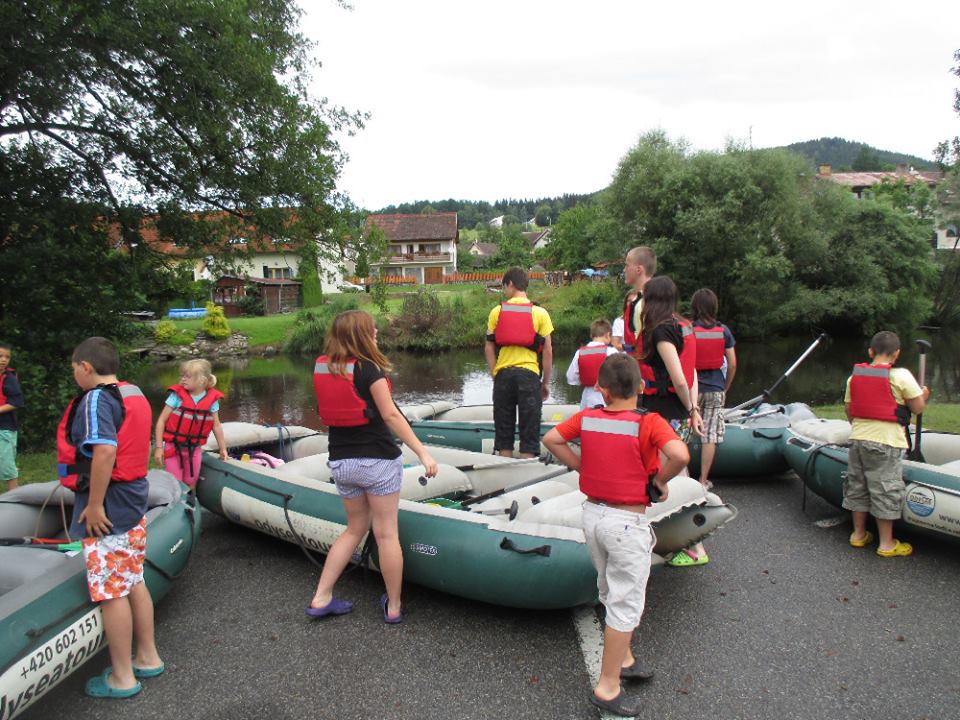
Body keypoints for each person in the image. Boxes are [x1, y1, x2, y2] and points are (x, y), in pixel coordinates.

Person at [543, 354, 689, 717]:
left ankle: (623, 658)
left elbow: (551, 438)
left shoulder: (588, 417)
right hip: (626, 524)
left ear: (600, 390)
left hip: (592, 517)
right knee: (625, 603)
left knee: (609, 588)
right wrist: (658, 481)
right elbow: (680, 454)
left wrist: (580, 465)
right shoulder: (649, 422)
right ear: (641, 388)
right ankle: (608, 687)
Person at [309, 310, 438, 623]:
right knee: (386, 534)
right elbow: (391, 416)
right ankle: (393, 606)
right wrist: (423, 453)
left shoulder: (324, 366)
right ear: (361, 336)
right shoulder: (370, 370)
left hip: (342, 462)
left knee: (354, 529)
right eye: (372, 329)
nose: (377, 331)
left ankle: (321, 597)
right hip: (378, 461)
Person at [57, 336, 163, 698]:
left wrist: (96, 504)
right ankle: (147, 657)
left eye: (74, 368)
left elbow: (103, 451)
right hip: (134, 496)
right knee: (133, 579)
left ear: (86, 367)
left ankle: (122, 677)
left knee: (111, 591)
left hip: (112, 502)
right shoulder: (132, 391)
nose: (74, 375)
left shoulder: (97, 399)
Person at [637, 276, 708, 567]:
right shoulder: (681, 326)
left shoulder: (662, 331)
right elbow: (691, 375)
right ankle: (686, 539)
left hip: (666, 412)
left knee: (676, 477)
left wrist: (692, 408)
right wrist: (693, 408)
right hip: (677, 411)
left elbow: (679, 378)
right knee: (680, 473)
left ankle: (694, 546)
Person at [844, 330, 928, 557]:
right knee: (885, 489)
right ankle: (887, 544)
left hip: (858, 440)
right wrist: (924, 394)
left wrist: (861, 428)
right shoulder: (901, 376)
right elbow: (917, 407)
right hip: (886, 442)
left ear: (870, 352)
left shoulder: (854, 377)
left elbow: (850, 410)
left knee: (858, 486)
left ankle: (858, 535)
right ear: (897, 354)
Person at [484, 267, 554, 458]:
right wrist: (545, 382)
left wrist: (495, 374)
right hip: (529, 376)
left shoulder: (497, 312)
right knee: (529, 437)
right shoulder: (540, 313)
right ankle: (527, 473)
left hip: (504, 376)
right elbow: (547, 351)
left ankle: (504, 469)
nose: (505, 291)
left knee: (504, 435)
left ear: (511, 284)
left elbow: (489, 348)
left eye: (504, 286)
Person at [153, 358, 228, 487]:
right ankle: (175, 503)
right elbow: (161, 421)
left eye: (187, 377)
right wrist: (159, 448)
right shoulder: (176, 396)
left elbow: (216, 426)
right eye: (182, 376)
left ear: (201, 380)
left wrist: (223, 448)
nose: (183, 379)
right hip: (173, 448)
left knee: (190, 481)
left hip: (194, 449)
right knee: (176, 483)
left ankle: (189, 503)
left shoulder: (212, 400)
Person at [690, 289, 737, 490]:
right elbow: (732, 363)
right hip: (715, 388)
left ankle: (681, 477)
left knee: (684, 429)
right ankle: (703, 480)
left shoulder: (688, 330)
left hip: (691, 389)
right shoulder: (723, 330)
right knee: (709, 435)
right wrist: (725, 386)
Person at [566, 320, 619, 409]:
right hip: (606, 396)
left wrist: (585, 380)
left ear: (591, 335)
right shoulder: (612, 352)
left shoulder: (580, 352)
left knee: (586, 421)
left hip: (587, 396)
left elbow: (571, 377)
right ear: (608, 334)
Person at [0, 342, 24, 492]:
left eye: (7, 357)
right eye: (0, 356)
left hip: (5, 430)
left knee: (6, 463)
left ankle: (14, 495)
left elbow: (17, 402)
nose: (4, 359)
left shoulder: (9, 379)